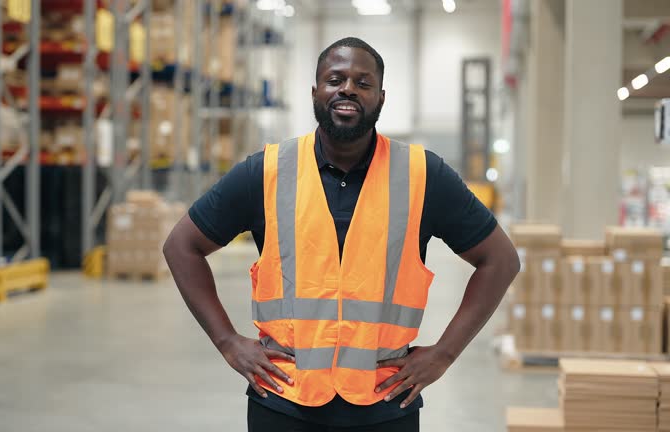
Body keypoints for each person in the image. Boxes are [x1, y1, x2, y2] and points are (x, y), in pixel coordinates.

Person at [163, 37, 520, 432]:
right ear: (315, 92)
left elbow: (500, 260)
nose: (347, 88)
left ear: (381, 98)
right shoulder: (267, 171)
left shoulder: (422, 175)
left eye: (362, 82)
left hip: (385, 403)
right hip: (283, 401)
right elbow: (182, 246)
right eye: (335, 79)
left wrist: (445, 354)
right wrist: (227, 341)